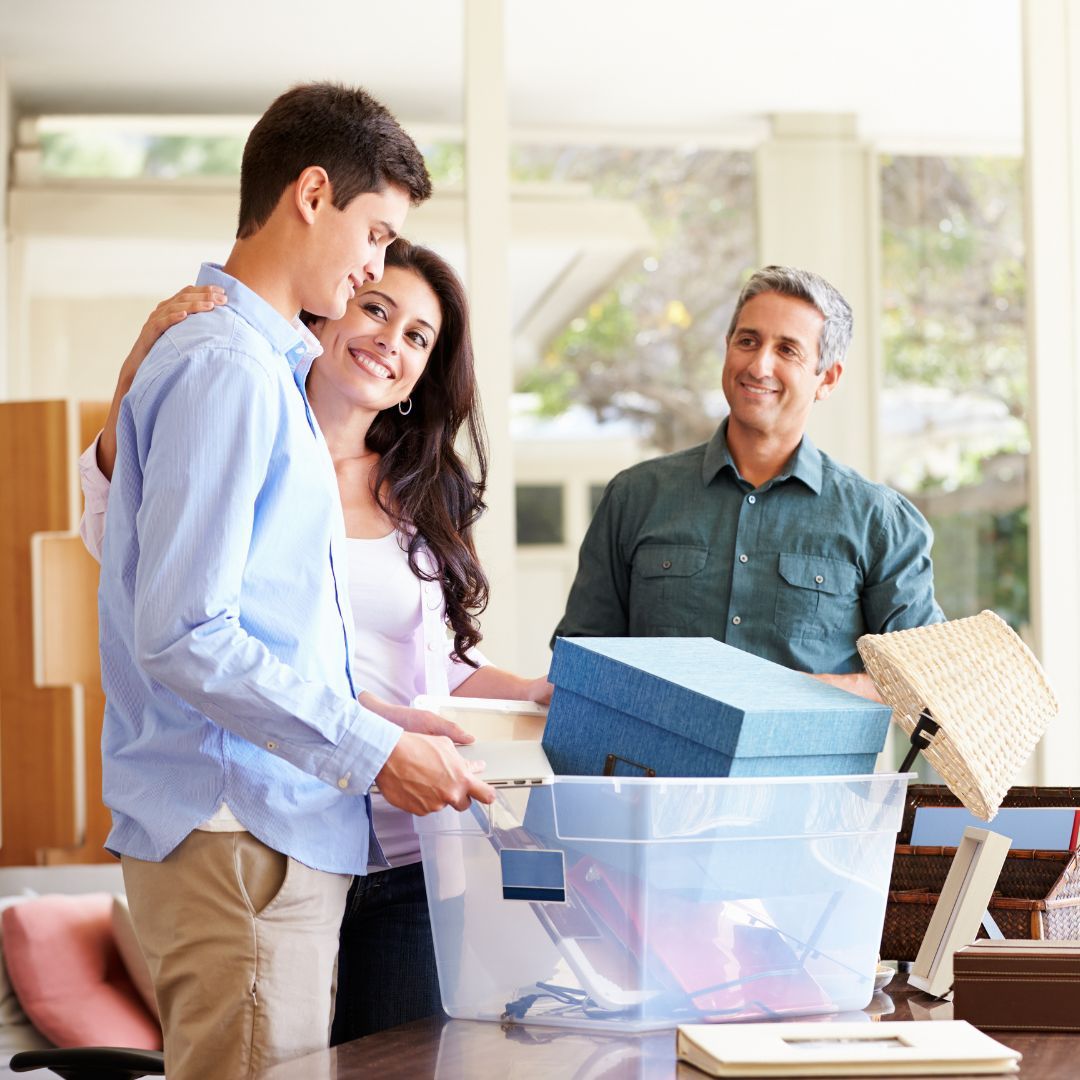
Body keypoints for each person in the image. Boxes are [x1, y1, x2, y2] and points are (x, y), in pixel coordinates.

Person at [94, 82, 497, 1079]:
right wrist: (373, 751)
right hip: (242, 837)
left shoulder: (259, 371)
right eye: (376, 234)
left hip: (264, 835)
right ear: (313, 194)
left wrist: (383, 718)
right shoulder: (227, 367)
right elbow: (185, 635)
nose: (374, 263)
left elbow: (255, 634)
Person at [554, 265, 944, 698]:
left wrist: (789, 693)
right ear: (727, 348)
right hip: (660, 768)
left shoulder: (879, 521)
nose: (759, 365)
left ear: (827, 378)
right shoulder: (636, 497)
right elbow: (580, 662)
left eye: (788, 350)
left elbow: (922, 681)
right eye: (748, 341)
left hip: (813, 766)